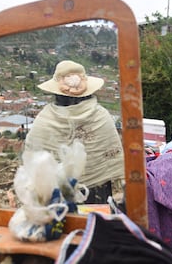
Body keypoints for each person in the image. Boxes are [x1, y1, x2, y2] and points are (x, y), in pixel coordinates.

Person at [24, 60, 124, 204]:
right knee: (94, 225)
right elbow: (112, 158)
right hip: (96, 194)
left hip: (55, 196)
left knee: (62, 225)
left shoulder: (44, 119)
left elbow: (32, 160)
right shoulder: (101, 115)